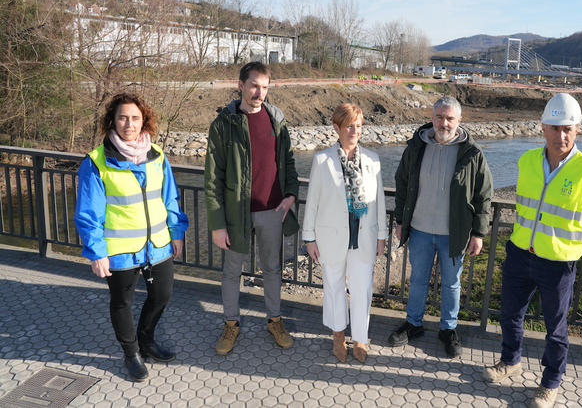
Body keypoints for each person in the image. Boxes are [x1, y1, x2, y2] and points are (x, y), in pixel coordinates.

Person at [481, 93, 582, 408]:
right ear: (543, 128)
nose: (560, 135)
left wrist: (575, 237)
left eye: (567, 128)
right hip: (520, 252)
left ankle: (550, 383)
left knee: (555, 326)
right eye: (554, 127)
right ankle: (510, 362)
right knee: (510, 313)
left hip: (558, 262)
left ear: (577, 129)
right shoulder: (526, 161)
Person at [75, 93, 188, 382]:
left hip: (158, 244)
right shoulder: (97, 162)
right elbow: (89, 212)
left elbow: (170, 198)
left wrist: (176, 231)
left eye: (135, 118)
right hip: (120, 249)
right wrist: (96, 251)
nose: (129, 123)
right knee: (122, 302)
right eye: (123, 117)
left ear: (144, 121)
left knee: (162, 295)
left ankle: (146, 339)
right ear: (112, 120)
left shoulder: (157, 155)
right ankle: (131, 353)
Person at [205, 61, 300, 354]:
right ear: (241, 85)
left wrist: (291, 195)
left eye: (264, 87)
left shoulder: (277, 121)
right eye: (254, 85)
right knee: (232, 271)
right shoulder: (224, 124)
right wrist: (217, 224)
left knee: (272, 269)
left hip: (272, 211)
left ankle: (274, 320)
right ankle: (231, 324)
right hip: (236, 213)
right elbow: (213, 178)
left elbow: (288, 163)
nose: (259, 93)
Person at [388, 96, 493, 358]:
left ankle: (448, 329)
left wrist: (479, 233)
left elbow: (484, 195)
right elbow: (402, 185)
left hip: (454, 234)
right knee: (418, 280)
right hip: (420, 230)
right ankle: (414, 324)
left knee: (451, 284)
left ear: (459, 120)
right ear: (432, 117)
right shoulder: (416, 147)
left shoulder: (472, 153)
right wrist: (401, 221)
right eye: (439, 117)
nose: (443, 123)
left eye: (449, 118)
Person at [301, 103, 387, 363]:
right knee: (334, 287)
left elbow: (380, 201)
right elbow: (313, 200)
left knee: (363, 289)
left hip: (364, 236)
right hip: (331, 236)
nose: (354, 131)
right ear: (336, 127)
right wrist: (309, 237)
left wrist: (381, 235)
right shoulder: (322, 160)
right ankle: (338, 336)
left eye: (358, 125)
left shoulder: (372, 159)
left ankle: (360, 337)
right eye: (349, 125)